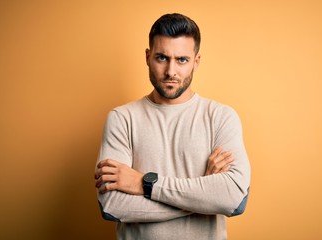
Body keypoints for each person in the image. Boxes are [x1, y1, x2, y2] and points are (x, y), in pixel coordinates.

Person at [94, 13, 251, 240]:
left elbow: (235, 199)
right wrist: (202, 198)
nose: (170, 71)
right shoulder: (122, 118)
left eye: (182, 60)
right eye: (161, 58)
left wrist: (145, 184)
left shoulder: (220, 117)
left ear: (196, 61)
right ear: (148, 57)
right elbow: (112, 206)